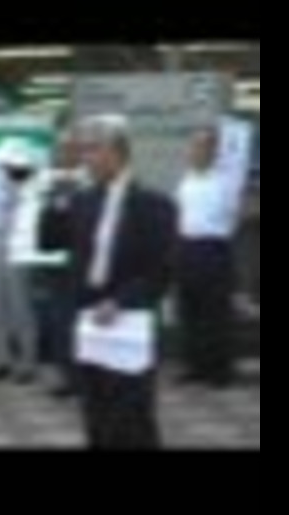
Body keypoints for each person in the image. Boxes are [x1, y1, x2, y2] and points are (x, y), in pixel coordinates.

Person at [68, 114, 177, 449]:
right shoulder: (82, 201)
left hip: (130, 322)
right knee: (95, 412)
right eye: (83, 150)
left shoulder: (155, 205)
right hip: (90, 322)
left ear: (117, 152)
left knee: (131, 415)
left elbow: (161, 271)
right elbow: (63, 251)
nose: (85, 158)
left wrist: (119, 302)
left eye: (93, 149)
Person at [175, 127, 246, 389]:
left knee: (215, 312)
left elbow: (232, 217)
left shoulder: (224, 182)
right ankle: (196, 366)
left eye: (202, 146)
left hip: (213, 248)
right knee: (190, 310)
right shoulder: (186, 181)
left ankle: (219, 370)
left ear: (213, 151)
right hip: (186, 248)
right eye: (193, 146)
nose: (195, 151)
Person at [0, 138, 44, 385]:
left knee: (21, 307)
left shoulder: (30, 182)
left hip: (19, 247)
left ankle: (28, 362)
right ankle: (2, 359)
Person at [37, 128, 92, 399]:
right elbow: (42, 218)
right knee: (60, 321)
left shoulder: (89, 181)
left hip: (83, 261)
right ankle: (66, 376)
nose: (66, 153)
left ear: (80, 152)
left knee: (82, 321)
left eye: (72, 148)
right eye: (62, 149)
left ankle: (85, 378)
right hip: (54, 261)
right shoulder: (49, 181)